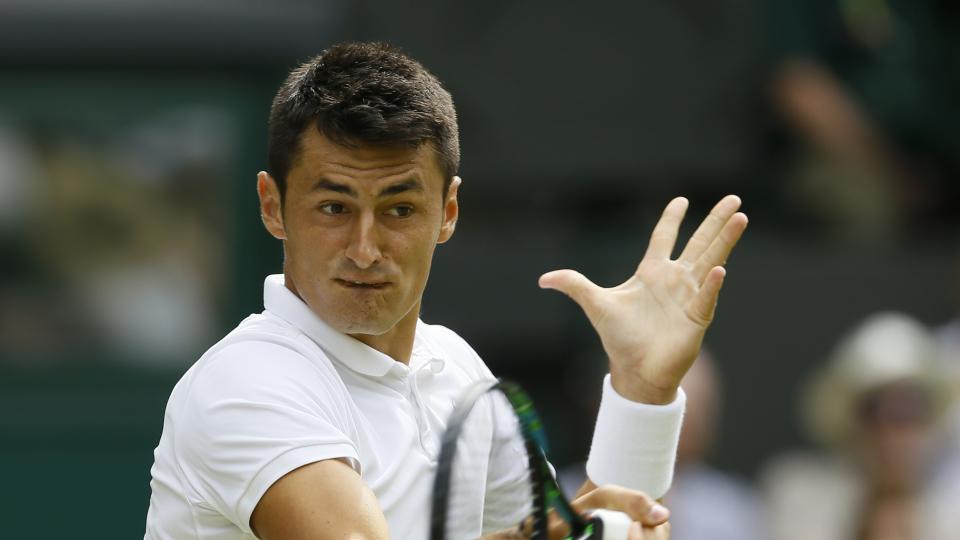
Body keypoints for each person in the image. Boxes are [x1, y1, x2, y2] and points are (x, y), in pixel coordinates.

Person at [144, 42, 748, 540]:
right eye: (333, 207)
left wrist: (642, 393)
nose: (364, 247)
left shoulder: (459, 374)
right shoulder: (244, 383)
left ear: (449, 211)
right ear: (272, 207)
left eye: (399, 209)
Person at [761, 312, 960, 540]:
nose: (891, 433)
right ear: (850, 423)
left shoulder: (953, 512)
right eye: (874, 410)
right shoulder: (798, 497)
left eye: (908, 411)